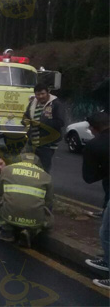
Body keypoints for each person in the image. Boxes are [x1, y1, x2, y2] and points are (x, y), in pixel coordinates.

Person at [0, 153, 53, 248]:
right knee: (46, 213)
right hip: (34, 220)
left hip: (9, 215)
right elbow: (49, 201)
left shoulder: (7, 170)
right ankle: (30, 231)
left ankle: (7, 231)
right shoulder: (46, 177)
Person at [81, 112, 109, 289]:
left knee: (106, 233)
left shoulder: (95, 145)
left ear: (93, 128)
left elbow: (89, 177)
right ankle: (107, 260)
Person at [22, 83, 65, 173]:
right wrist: (25, 121)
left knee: (43, 169)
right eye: (38, 94)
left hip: (47, 143)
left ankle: (43, 186)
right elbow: (26, 116)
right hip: (32, 140)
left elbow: (61, 122)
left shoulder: (56, 104)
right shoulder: (33, 103)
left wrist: (41, 124)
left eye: (42, 94)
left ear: (48, 92)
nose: (40, 96)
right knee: (25, 164)